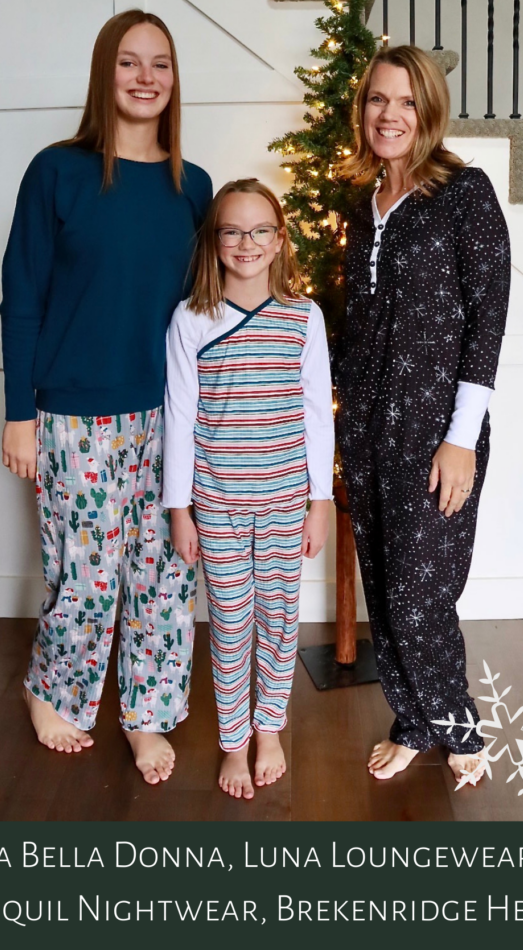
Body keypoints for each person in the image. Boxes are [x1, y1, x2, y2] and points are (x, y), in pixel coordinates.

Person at [0, 9, 212, 784]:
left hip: (167, 415)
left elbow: (206, 311)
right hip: (72, 414)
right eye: (129, 62)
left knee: (163, 574)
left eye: (160, 63)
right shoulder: (56, 172)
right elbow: (21, 297)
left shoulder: (193, 186)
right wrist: (19, 415)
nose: (146, 77)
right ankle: (52, 691)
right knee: (85, 578)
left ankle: (148, 713)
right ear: (104, 72)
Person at [335, 45, 510, 786]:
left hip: (436, 430)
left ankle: (458, 728)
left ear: (428, 110)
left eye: (406, 101)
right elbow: (355, 322)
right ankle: (412, 721)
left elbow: (487, 317)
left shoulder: (464, 193)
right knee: (383, 587)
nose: (390, 115)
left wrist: (461, 438)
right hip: (366, 426)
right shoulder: (359, 204)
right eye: (378, 99)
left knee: (420, 594)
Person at [163, 179, 334, 799]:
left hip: (287, 500)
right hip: (217, 503)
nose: (247, 242)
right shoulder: (191, 318)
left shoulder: (303, 316)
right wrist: (180, 509)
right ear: (214, 241)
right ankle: (233, 741)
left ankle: (269, 731)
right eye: (232, 231)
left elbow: (316, 413)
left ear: (280, 239)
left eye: (260, 230)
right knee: (231, 624)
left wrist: (320, 502)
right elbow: (180, 414)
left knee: (280, 621)